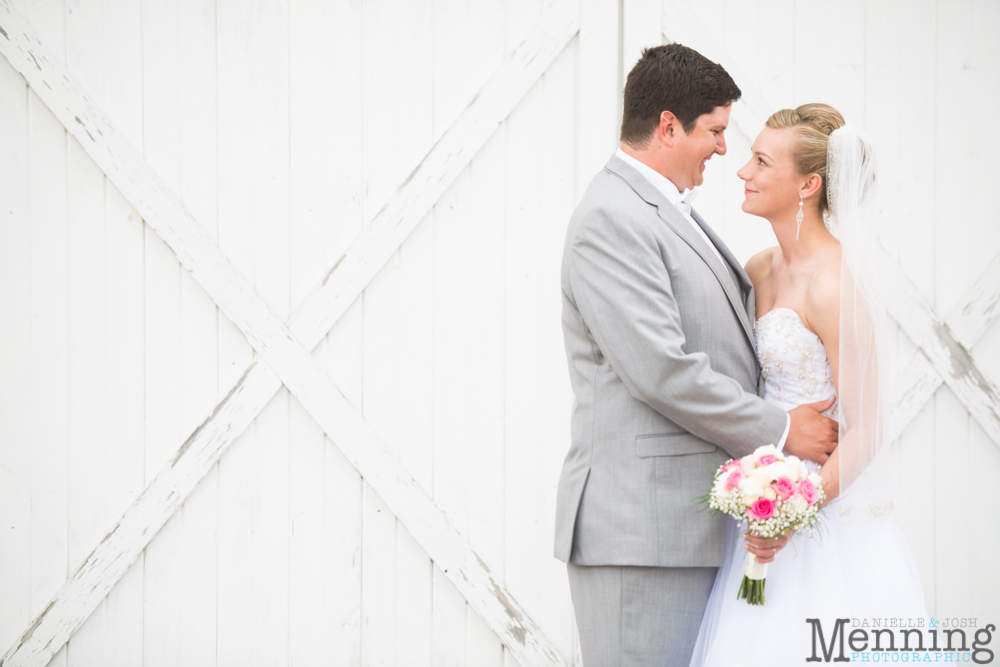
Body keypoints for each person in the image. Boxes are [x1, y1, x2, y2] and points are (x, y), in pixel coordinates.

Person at [553, 44, 839, 667]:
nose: (722, 150)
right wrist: (785, 427)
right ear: (666, 126)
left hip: (689, 530)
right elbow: (661, 368)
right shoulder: (613, 217)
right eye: (714, 131)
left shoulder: (661, 210)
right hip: (641, 534)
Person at [688, 104, 928, 666]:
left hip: (820, 521)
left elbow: (867, 429)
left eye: (762, 161)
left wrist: (791, 514)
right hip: (757, 507)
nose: (743, 170)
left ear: (808, 184)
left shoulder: (835, 284)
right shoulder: (759, 269)